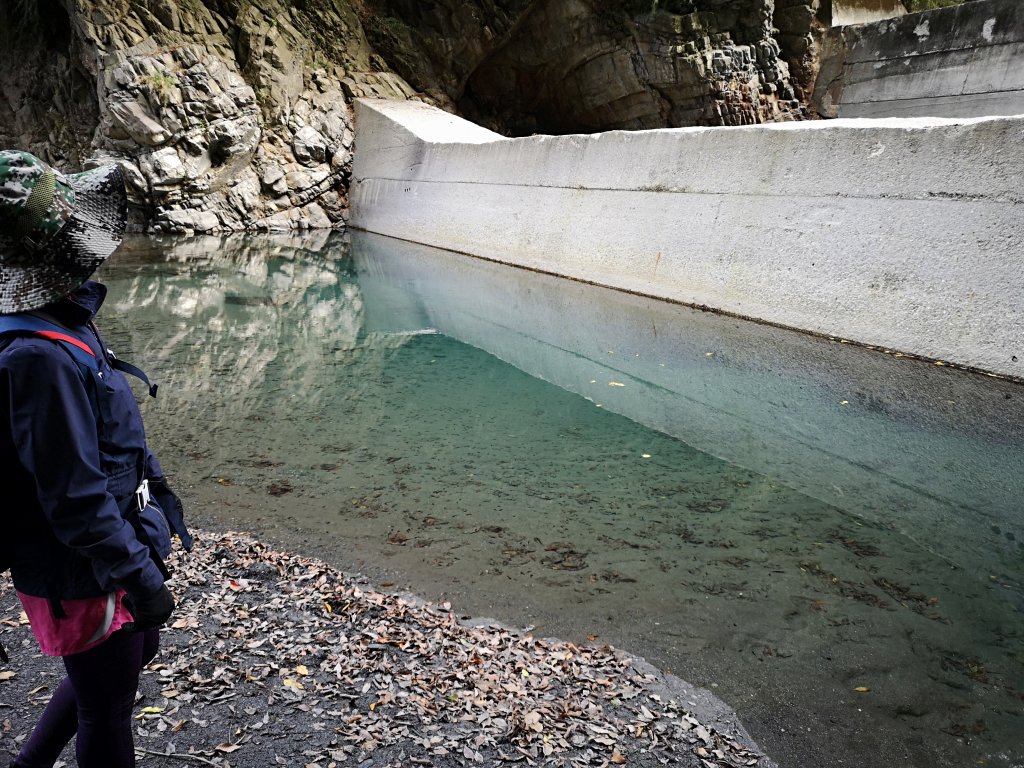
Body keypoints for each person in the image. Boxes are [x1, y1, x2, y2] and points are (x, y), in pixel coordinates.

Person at [0, 150, 190, 768]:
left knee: (119, 669)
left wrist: (157, 489)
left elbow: (111, 431)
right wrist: (136, 574)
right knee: (106, 706)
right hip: (81, 566)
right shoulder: (36, 356)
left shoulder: (63, 314)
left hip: (110, 546)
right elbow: (73, 497)